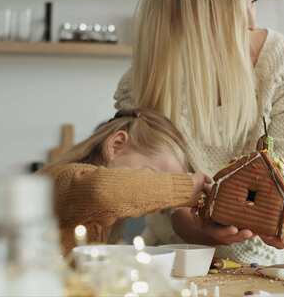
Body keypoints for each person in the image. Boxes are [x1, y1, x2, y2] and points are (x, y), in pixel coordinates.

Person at [114, 0, 284, 265]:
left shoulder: (283, 65)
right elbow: (155, 187)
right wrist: (188, 223)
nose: (251, 21)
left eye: (253, 2)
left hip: (276, 266)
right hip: (174, 262)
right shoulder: (143, 83)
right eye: (235, 10)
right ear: (189, 18)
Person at [39, 108, 211, 254]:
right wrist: (186, 187)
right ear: (116, 145)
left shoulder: (105, 218)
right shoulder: (62, 179)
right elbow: (101, 190)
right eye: (153, 176)